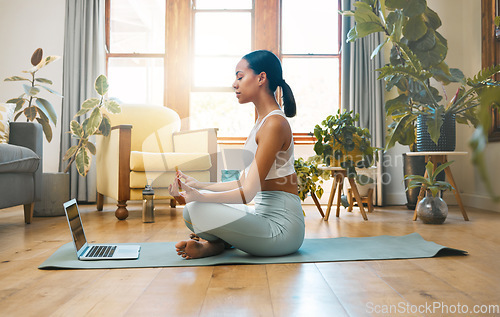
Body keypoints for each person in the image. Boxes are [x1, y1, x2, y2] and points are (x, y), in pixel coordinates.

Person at [169, 50, 304, 259]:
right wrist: (198, 186)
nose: (234, 84)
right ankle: (218, 244)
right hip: (261, 217)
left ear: (261, 78)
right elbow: (243, 182)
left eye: (240, 77)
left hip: (282, 230)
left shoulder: (274, 124)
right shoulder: (261, 123)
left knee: (196, 207)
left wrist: (201, 198)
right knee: (191, 209)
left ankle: (216, 243)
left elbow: (247, 194)